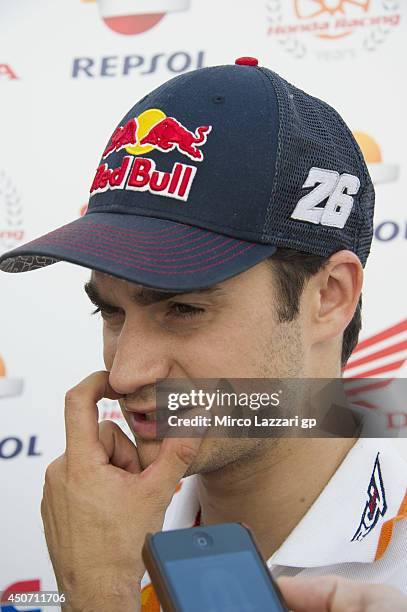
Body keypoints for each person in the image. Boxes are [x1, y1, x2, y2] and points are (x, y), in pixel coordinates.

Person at [1, 57, 406, 611]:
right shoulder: (93, 534)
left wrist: (99, 597)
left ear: (329, 296)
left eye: (184, 308)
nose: (125, 373)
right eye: (111, 313)